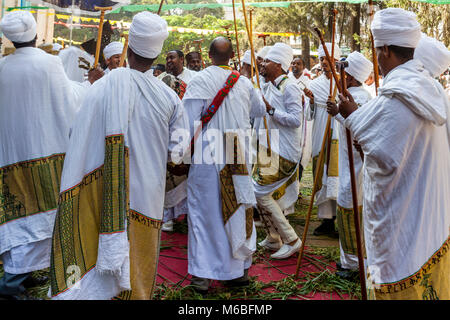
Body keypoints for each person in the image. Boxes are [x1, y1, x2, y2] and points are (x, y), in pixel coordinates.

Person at [49, 11, 188, 300]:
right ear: (158, 51)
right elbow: (178, 153)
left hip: (97, 188)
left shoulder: (99, 88)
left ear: (128, 44)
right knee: (138, 271)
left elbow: (76, 135)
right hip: (145, 196)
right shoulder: (169, 99)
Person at [338, 8, 449, 300]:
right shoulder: (431, 89)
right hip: (430, 215)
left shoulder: (396, 96)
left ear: (385, 49)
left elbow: (380, 156)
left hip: (402, 224)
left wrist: (351, 115)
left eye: (376, 50)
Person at [0, 10, 77, 300]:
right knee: (44, 214)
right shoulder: (51, 63)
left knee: (18, 216)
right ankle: (11, 284)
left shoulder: (3, 67)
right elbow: (68, 104)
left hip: (11, 158)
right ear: (35, 35)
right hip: (47, 153)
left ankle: (21, 274)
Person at [183, 36, 265, 294]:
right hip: (237, 153)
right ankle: (238, 274)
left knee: (205, 216)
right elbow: (259, 110)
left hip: (209, 157)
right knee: (238, 210)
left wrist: (179, 156)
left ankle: (202, 281)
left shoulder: (199, 80)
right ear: (231, 56)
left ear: (208, 56)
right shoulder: (243, 82)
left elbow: (187, 125)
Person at [252, 43, 303, 259]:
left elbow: (295, 120)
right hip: (268, 147)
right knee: (259, 192)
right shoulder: (267, 85)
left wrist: (271, 110)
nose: (262, 64)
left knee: (259, 192)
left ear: (280, 66)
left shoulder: (289, 87)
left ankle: (291, 239)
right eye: (262, 61)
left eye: (267, 62)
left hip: (284, 151)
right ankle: (273, 237)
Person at [325, 51, 373, 279]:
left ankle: (355, 265)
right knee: (347, 210)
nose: (337, 75)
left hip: (356, 167)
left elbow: (360, 128)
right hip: (348, 163)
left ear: (351, 77)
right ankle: (349, 260)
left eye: (341, 72)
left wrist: (337, 113)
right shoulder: (349, 93)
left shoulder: (359, 97)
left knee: (350, 208)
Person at [303, 42, 341, 238]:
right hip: (320, 132)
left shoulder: (343, 82)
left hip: (338, 135)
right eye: (321, 59)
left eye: (328, 59)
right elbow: (309, 116)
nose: (324, 62)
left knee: (336, 176)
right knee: (322, 173)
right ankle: (326, 220)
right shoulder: (315, 84)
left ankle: (339, 218)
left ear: (336, 61)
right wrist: (310, 101)